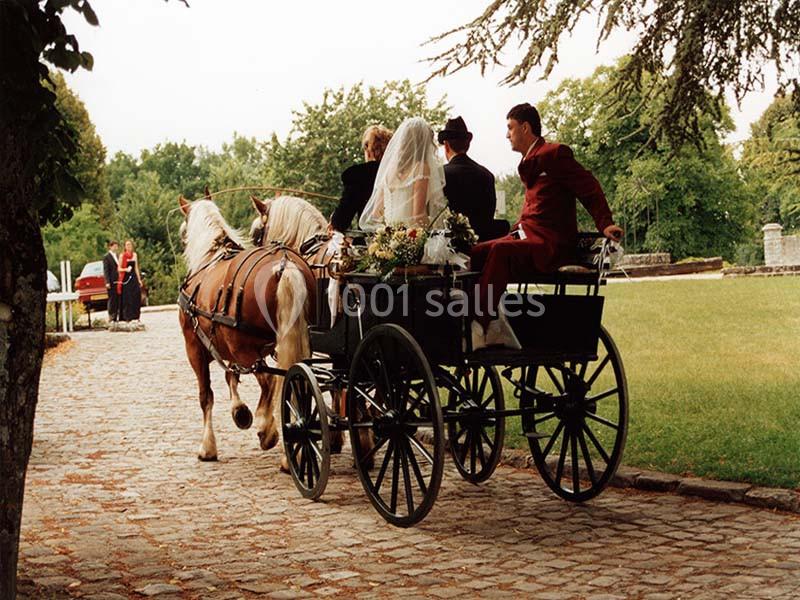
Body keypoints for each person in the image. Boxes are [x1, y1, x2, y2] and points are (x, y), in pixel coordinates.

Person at [470, 103, 624, 349]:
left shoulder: (554, 154)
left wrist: (605, 223)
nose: (506, 134)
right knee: (477, 251)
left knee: (500, 251)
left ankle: (480, 326)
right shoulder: (530, 159)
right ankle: (493, 320)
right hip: (527, 235)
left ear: (525, 127)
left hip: (551, 243)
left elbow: (588, 186)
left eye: (510, 128)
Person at [359, 117, 447, 230]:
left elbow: (376, 214)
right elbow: (417, 217)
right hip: (411, 238)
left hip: (390, 240)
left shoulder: (389, 170)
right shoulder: (421, 168)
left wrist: (388, 236)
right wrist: (436, 226)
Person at [438, 116, 510, 241]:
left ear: (446, 145)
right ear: (467, 145)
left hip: (450, 246)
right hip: (483, 245)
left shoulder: (441, 175)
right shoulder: (487, 175)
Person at [329, 125, 393, 232]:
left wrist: (334, 220)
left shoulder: (359, 175)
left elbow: (341, 221)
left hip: (369, 244)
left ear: (368, 149)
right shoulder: (399, 173)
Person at [118, 239, 144, 327]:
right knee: (127, 297)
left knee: (136, 295)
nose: (129, 246)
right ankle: (127, 316)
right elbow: (119, 269)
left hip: (133, 277)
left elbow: (136, 267)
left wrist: (139, 279)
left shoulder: (135, 255)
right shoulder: (122, 256)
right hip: (126, 277)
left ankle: (135, 315)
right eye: (127, 245)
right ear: (125, 247)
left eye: (130, 245)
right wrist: (125, 269)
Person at [102, 240, 120, 326]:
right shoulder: (107, 257)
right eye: (114, 246)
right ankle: (111, 316)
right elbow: (106, 270)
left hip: (118, 280)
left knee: (117, 298)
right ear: (110, 246)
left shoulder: (117, 255)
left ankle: (117, 315)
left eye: (117, 246)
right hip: (111, 280)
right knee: (112, 299)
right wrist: (107, 282)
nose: (116, 248)